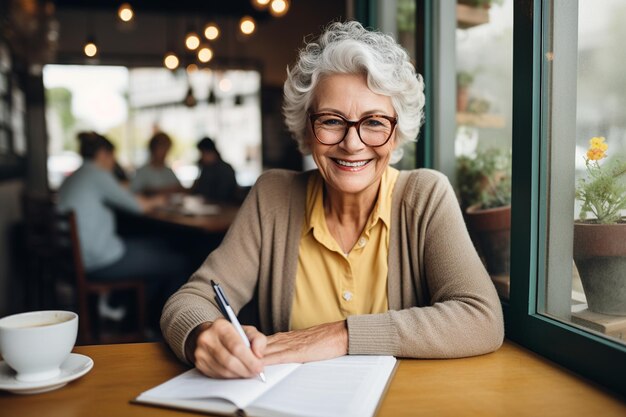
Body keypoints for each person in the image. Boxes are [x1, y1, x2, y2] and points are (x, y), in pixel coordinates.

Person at [161, 21, 504, 379]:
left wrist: (341, 334)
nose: (352, 144)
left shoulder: (425, 196)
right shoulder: (273, 197)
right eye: (331, 121)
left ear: (397, 133)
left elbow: (482, 318)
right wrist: (204, 335)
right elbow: (190, 301)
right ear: (307, 130)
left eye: (373, 122)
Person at [57, 131, 190, 327]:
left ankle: (131, 311)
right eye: (113, 157)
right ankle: (152, 324)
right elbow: (138, 206)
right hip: (98, 260)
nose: (113, 162)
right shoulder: (97, 174)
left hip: (74, 258)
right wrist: (161, 199)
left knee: (157, 246)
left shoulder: (74, 177)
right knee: (180, 261)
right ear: (103, 154)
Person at [191, 137, 239, 203]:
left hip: (225, 208)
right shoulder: (206, 168)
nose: (201, 157)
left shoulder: (225, 169)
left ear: (209, 152)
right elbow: (198, 190)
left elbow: (223, 195)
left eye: (202, 153)